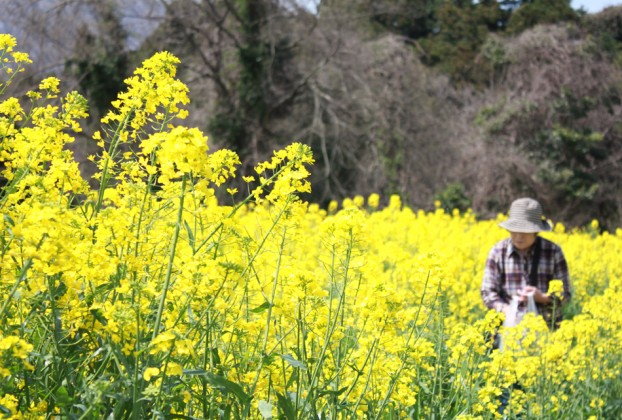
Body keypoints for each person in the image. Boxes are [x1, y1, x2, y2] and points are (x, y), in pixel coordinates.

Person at [481, 197, 571, 331]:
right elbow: (487, 293)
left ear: (536, 231)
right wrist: (508, 311)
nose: (518, 236)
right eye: (514, 230)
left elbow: (566, 295)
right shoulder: (498, 252)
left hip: (546, 332)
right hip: (508, 330)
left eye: (524, 231)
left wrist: (542, 298)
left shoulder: (553, 252)